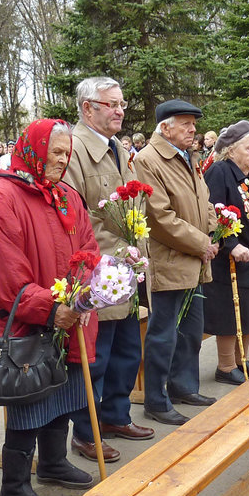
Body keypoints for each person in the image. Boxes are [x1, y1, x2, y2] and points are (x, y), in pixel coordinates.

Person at [0, 118, 100, 496]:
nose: (62, 160)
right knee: (30, 397)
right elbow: (4, 274)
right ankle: (15, 485)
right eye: (55, 152)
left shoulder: (66, 196)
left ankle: (54, 462)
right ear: (33, 150)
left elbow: (88, 249)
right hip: (24, 318)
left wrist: (82, 294)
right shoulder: (0, 199)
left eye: (66, 153)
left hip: (67, 314)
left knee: (64, 390)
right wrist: (48, 307)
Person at [62, 77, 154, 466]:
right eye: (111, 104)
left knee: (127, 353)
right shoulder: (74, 149)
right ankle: (86, 432)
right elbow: (70, 216)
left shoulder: (119, 147)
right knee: (93, 359)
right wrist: (87, 276)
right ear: (88, 108)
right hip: (98, 274)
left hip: (127, 270)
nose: (120, 110)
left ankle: (115, 416)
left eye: (122, 103)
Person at [136, 99, 217, 427]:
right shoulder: (148, 159)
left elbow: (205, 200)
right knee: (163, 332)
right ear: (165, 127)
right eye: (185, 123)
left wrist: (211, 231)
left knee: (191, 329)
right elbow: (159, 217)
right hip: (171, 259)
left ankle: (184, 387)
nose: (193, 129)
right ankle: (156, 399)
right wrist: (201, 243)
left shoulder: (189, 157)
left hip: (196, 258)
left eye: (194, 124)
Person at [203, 121, 249, 384]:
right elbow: (213, 213)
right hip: (229, 260)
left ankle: (241, 359)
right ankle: (225, 366)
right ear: (231, 150)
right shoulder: (220, 172)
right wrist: (231, 245)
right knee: (228, 310)